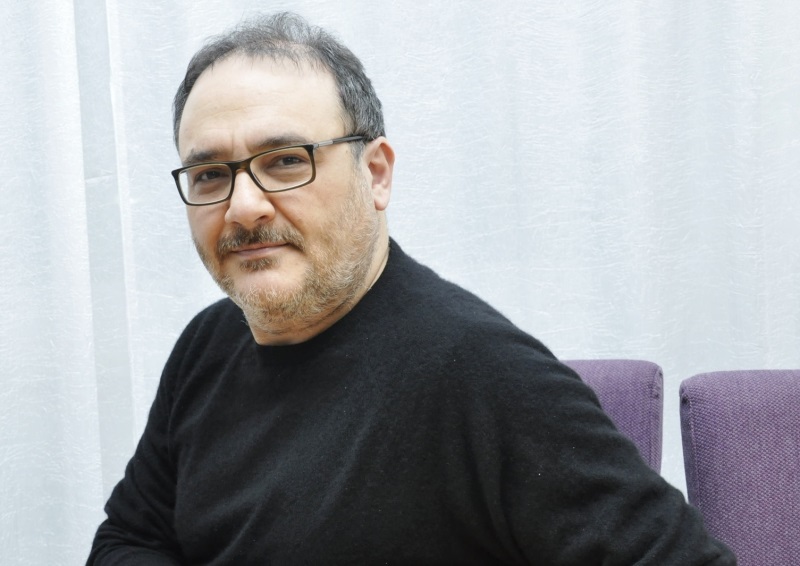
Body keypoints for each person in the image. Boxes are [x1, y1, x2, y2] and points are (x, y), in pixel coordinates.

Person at [88, 11, 735, 565]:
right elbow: (128, 538)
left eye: (285, 161)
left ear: (375, 174)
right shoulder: (207, 344)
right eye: (209, 174)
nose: (243, 206)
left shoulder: (481, 372)